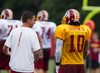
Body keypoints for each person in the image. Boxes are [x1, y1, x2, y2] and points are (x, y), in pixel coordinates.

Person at [55, 9, 92, 73]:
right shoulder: (85, 29)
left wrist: (57, 64)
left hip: (66, 64)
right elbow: (85, 50)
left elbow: (58, 52)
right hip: (80, 65)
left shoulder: (63, 29)